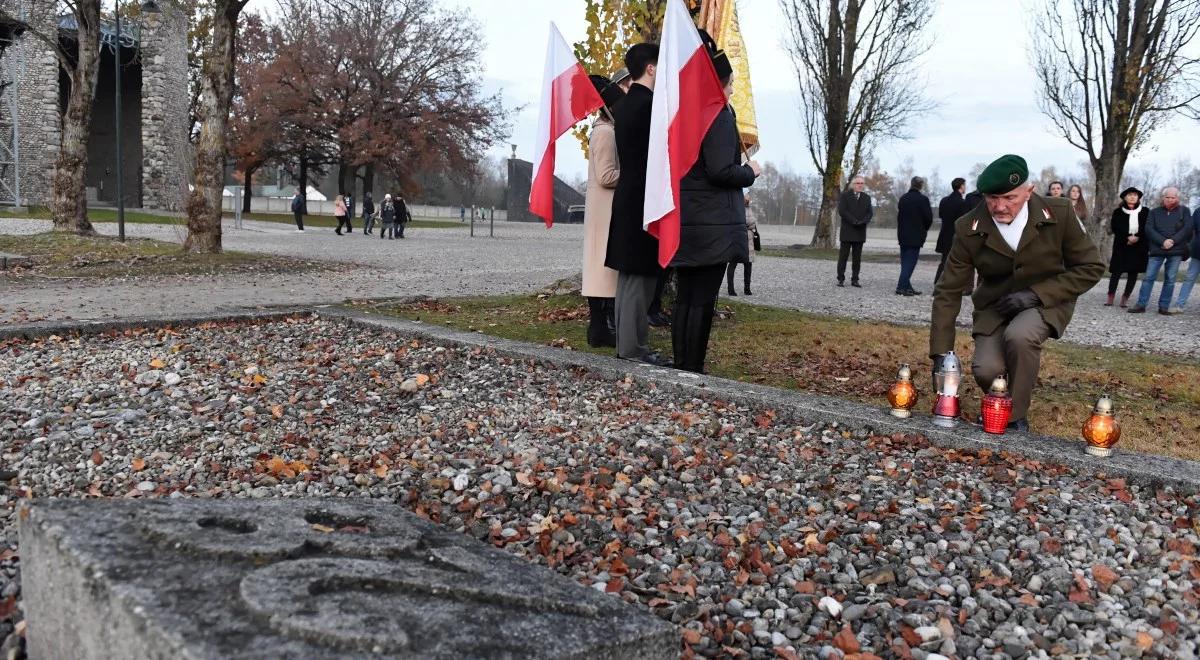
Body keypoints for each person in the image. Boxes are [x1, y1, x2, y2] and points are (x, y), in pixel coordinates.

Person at [930, 154, 1105, 433]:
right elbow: (948, 290)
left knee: (1020, 336)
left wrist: (1035, 294)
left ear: (1029, 191)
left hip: (1046, 301)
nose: (999, 207)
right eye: (991, 198)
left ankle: (1014, 417)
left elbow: (1091, 266)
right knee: (986, 369)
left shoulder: (1058, 213)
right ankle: (1002, 398)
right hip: (996, 306)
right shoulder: (968, 227)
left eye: (1009, 198)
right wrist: (940, 353)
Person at [671, 52, 760, 373]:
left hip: (690, 219)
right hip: (713, 223)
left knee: (686, 297)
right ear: (719, 83)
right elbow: (721, 171)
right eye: (731, 83)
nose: (733, 90)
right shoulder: (718, 115)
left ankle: (681, 361)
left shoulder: (687, 114)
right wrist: (750, 171)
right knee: (703, 300)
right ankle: (692, 365)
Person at [605, 43, 670, 366]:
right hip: (644, 197)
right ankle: (632, 348)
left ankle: (628, 343)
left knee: (630, 277)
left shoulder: (626, 105)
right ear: (651, 68)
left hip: (628, 195)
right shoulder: (648, 106)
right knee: (640, 276)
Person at [582, 74, 625, 348]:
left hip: (605, 210)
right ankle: (601, 327)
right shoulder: (605, 132)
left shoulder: (606, 130)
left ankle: (601, 327)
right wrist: (633, 174)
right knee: (602, 273)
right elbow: (607, 175)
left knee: (604, 273)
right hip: (604, 211)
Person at [1129, 187, 1194, 314]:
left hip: (1176, 250)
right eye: (1167, 197)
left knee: (1170, 279)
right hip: (1157, 250)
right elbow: (1148, 229)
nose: (1170, 199)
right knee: (1148, 277)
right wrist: (1162, 241)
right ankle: (1141, 304)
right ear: (1163, 198)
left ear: (1177, 198)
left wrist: (1172, 241)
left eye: (1173, 197)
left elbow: (1187, 229)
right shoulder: (1154, 212)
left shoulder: (1184, 211)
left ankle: (1163, 306)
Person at [1106, 187, 1149, 307]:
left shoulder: (1145, 211)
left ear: (1138, 198)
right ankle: (1110, 296)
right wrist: (1127, 238)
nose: (1132, 197)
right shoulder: (1118, 212)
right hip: (1121, 245)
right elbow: (1115, 227)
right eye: (1130, 195)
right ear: (1125, 197)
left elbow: (1147, 227)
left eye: (1135, 195)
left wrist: (1137, 237)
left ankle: (1125, 298)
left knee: (1133, 273)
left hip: (1139, 246)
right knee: (1116, 272)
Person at [896, 176, 933, 296]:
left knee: (905, 261)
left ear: (911, 184)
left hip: (902, 234)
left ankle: (908, 286)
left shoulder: (903, 199)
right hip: (916, 235)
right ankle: (901, 287)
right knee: (910, 263)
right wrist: (924, 229)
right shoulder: (923, 200)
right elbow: (928, 218)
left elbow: (900, 217)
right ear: (921, 186)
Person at [836, 176, 872, 287]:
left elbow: (869, 213)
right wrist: (854, 221)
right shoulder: (845, 196)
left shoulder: (867, 197)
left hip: (860, 232)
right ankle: (840, 279)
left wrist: (863, 222)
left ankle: (855, 279)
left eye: (862, 183)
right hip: (847, 231)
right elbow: (842, 211)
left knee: (857, 258)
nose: (860, 185)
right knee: (843, 257)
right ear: (853, 184)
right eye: (858, 183)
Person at [935, 177, 970, 284]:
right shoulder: (962, 203)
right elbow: (965, 221)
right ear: (961, 186)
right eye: (964, 185)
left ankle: (938, 281)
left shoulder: (944, 201)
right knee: (955, 262)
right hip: (956, 236)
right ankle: (948, 283)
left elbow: (941, 215)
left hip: (944, 233)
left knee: (944, 260)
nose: (965, 187)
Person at [727, 198, 758, 296]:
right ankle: (731, 289)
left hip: (748, 239)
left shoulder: (748, 207)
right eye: (747, 195)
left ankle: (747, 288)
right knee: (733, 263)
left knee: (748, 264)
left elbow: (752, 222)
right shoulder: (735, 206)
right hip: (737, 237)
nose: (749, 197)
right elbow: (748, 221)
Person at [1174, 205, 1200, 312]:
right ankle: (1179, 305)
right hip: (1198, 251)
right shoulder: (1198, 211)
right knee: (1189, 278)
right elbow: (1189, 228)